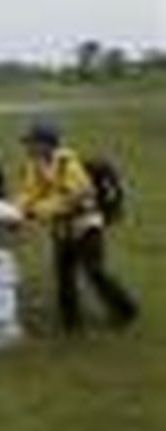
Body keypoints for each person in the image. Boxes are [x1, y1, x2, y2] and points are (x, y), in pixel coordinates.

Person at [15, 121, 139, 332]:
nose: (28, 147)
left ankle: (126, 310)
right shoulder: (34, 164)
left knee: (94, 271)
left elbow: (77, 195)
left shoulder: (67, 164)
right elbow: (30, 192)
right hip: (62, 229)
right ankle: (70, 322)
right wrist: (18, 208)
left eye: (32, 142)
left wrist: (40, 210)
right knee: (64, 275)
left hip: (86, 226)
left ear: (47, 144)